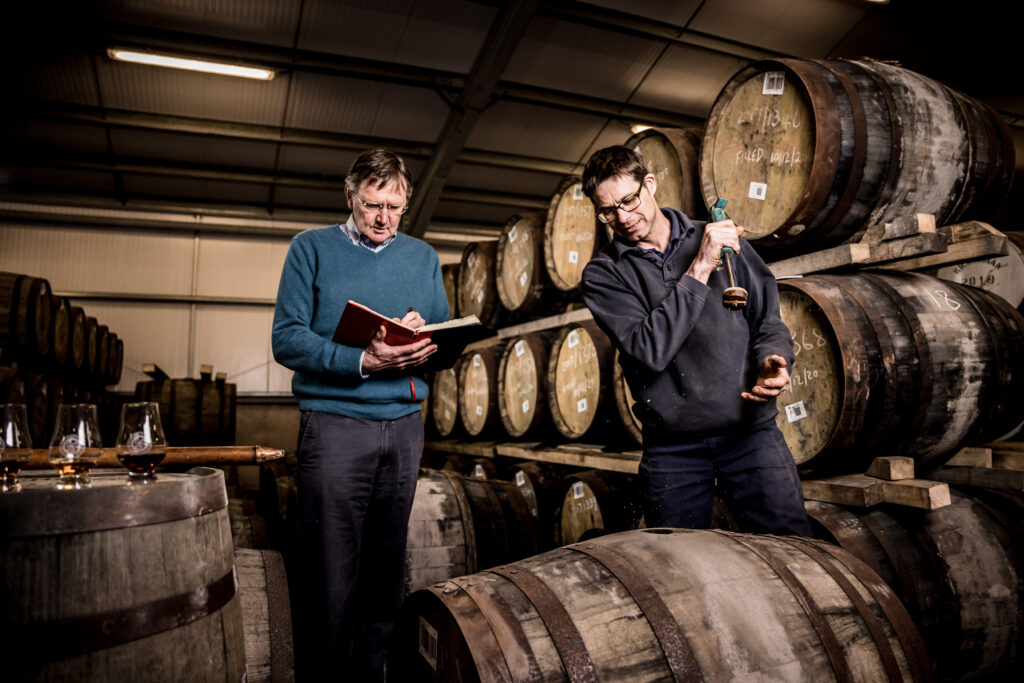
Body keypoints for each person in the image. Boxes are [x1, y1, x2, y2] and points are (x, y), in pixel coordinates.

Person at [271, 148, 450, 681]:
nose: (383, 218)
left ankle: (373, 675)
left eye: (394, 207)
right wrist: (360, 360)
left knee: (384, 570)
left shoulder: (422, 257)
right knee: (329, 572)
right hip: (335, 426)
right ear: (349, 196)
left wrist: (425, 332)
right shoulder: (311, 249)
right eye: (372, 204)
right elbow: (287, 338)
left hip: (404, 428)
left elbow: (444, 334)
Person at [579, 145, 811, 536]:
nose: (623, 217)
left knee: (791, 547)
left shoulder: (718, 235)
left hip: (750, 434)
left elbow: (767, 318)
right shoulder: (605, 276)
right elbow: (647, 350)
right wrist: (702, 265)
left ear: (649, 184)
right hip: (673, 449)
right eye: (608, 210)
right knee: (680, 570)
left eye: (629, 200)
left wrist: (775, 357)